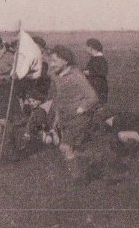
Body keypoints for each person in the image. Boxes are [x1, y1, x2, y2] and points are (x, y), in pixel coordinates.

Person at [44, 45, 106, 182]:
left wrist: (81, 109)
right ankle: (92, 159)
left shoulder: (77, 76)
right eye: (50, 61)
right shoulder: (55, 75)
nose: (51, 64)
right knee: (70, 147)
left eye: (54, 61)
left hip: (78, 117)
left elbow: (92, 97)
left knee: (65, 147)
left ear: (65, 61)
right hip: (63, 116)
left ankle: (77, 179)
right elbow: (55, 94)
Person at [81, 39, 109, 105]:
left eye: (87, 46)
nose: (86, 48)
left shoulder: (100, 59)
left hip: (98, 87)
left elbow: (103, 72)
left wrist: (89, 73)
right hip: (95, 86)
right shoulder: (95, 58)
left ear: (91, 47)